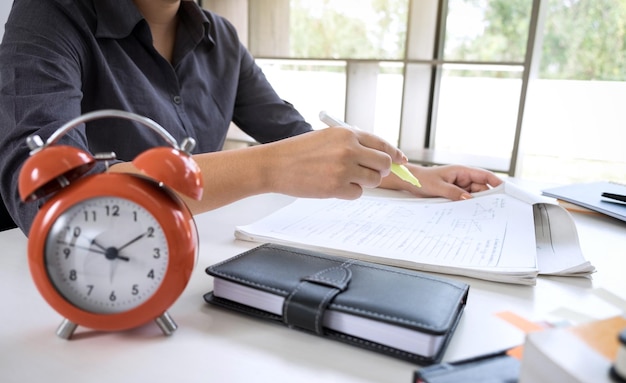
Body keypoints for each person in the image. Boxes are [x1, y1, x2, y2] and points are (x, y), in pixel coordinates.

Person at [0, 0, 502, 235]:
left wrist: (414, 178)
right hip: (89, 284)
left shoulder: (221, 38)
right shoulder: (50, 14)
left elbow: (297, 138)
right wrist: (269, 168)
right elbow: (49, 196)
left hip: (202, 263)